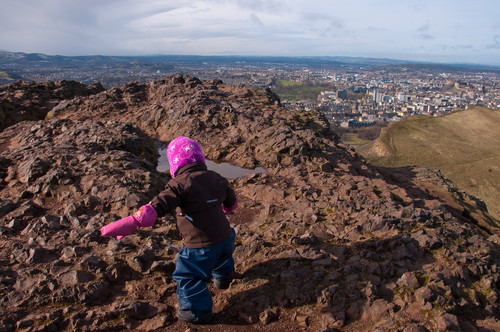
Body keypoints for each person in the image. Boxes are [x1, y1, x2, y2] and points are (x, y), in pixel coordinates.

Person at [100, 136, 238, 324]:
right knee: (223, 258)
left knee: (188, 274)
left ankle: (197, 312)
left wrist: (136, 220)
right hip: (226, 236)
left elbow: (160, 204)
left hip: (200, 245)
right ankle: (223, 278)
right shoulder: (217, 178)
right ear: (200, 158)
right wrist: (226, 208)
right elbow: (230, 200)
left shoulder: (178, 185)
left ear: (175, 164)